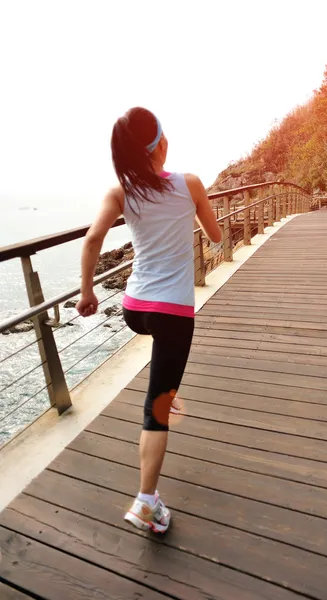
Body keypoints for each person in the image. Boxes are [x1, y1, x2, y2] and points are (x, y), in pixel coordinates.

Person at [76, 107, 222, 533]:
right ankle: (146, 503)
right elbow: (214, 235)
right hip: (172, 314)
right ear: (159, 144)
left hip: (135, 309)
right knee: (156, 410)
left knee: (164, 371)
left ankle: (167, 387)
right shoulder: (189, 184)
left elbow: (92, 239)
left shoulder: (120, 191)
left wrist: (87, 292)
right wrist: (193, 214)